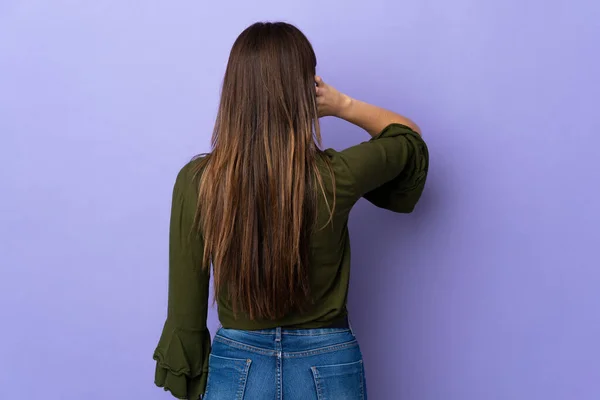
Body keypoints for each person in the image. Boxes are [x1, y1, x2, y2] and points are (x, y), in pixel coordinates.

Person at [152, 21, 428, 400]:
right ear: (307, 92)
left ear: (234, 92)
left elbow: (185, 312)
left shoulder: (198, 181)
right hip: (329, 364)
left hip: (238, 365)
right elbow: (407, 138)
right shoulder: (336, 175)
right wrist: (343, 104)